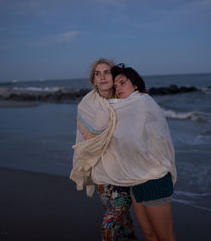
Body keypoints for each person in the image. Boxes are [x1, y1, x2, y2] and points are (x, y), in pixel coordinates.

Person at [92, 63, 177, 241]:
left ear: (136, 84)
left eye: (122, 83)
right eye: (116, 86)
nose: (119, 88)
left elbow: (151, 140)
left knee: (165, 237)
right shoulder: (121, 108)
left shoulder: (143, 102)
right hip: (135, 179)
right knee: (148, 234)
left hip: (154, 179)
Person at [70, 59, 136, 240]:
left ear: (113, 75)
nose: (102, 77)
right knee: (124, 223)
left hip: (125, 173)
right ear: (93, 80)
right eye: (97, 74)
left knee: (108, 226)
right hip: (101, 174)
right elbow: (87, 141)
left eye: (106, 72)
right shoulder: (86, 105)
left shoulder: (126, 100)